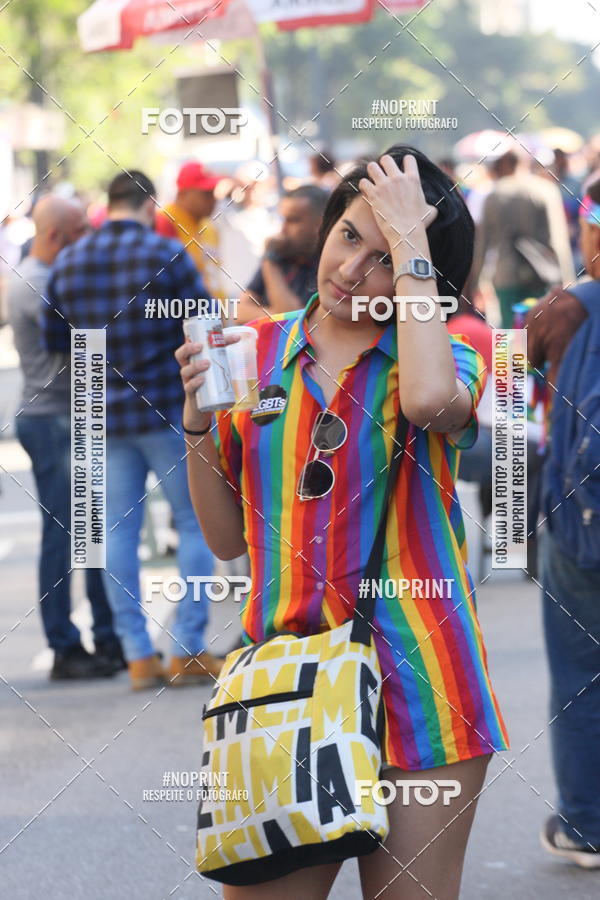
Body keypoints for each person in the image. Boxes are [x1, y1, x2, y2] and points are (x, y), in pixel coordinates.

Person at [176, 145, 509, 899]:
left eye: (387, 255)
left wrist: (411, 241)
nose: (354, 269)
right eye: (350, 234)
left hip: (426, 688)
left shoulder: (446, 354)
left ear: (424, 270)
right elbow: (227, 540)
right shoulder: (250, 349)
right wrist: (196, 427)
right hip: (284, 689)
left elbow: (428, 403)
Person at [42, 171, 223, 691]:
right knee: (194, 522)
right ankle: (186, 649)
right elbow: (204, 320)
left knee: (116, 533)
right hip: (167, 406)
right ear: (150, 204)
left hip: (98, 410)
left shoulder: (71, 260)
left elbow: (58, 335)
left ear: (109, 201)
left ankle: (138, 655)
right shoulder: (163, 253)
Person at [8, 194, 123, 679]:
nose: (89, 240)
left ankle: (100, 635)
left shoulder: (34, 276)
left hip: (58, 418)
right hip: (55, 419)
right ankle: (67, 644)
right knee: (68, 535)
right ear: (56, 235)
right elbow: (86, 344)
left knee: (85, 534)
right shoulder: (38, 284)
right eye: (80, 231)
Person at [526, 175, 600, 868]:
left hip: (583, 526)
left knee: (581, 670)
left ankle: (587, 823)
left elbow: (513, 397)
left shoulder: (563, 309)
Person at [471, 149, 574, 327]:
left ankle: (508, 356)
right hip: (542, 274)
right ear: (526, 163)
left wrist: (477, 282)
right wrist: (567, 279)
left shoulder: (494, 195)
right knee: (542, 331)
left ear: (503, 165)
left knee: (508, 336)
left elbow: (482, 244)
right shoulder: (546, 190)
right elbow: (558, 241)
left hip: (506, 275)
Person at [235, 184, 328, 325]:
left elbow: (295, 323)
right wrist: (279, 315)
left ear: (319, 224)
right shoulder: (281, 253)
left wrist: (270, 263)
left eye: (293, 220)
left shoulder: (326, 263)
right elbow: (239, 311)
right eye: (283, 219)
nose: (283, 228)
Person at [155, 161, 225, 300]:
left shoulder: (210, 227)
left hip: (213, 316)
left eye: (213, 192)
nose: (213, 199)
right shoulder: (164, 222)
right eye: (206, 193)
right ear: (183, 194)